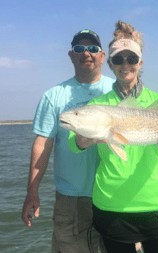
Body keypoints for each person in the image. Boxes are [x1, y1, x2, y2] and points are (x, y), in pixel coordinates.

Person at [69, 21, 158, 253]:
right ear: (110, 63)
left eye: (131, 58)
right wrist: (84, 138)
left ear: (140, 62)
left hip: (156, 203)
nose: (125, 65)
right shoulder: (98, 105)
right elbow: (75, 143)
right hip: (111, 206)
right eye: (118, 59)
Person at [21, 29, 115, 253]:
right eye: (79, 49)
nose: (86, 53)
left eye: (93, 48)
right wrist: (32, 191)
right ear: (71, 55)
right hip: (71, 199)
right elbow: (42, 144)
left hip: (116, 194)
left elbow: (141, 136)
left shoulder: (118, 91)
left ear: (102, 56)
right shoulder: (54, 96)